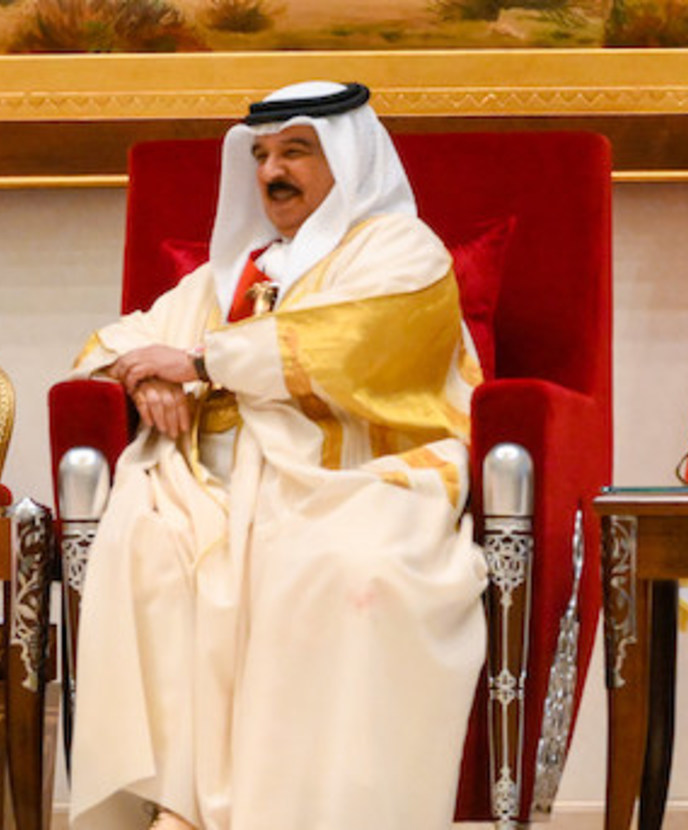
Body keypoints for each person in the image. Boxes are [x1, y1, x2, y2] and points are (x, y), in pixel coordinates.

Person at [66, 82, 488, 829]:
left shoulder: (397, 248)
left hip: (358, 474)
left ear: (349, 162)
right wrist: (142, 377)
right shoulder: (242, 272)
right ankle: (183, 809)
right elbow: (114, 340)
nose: (270, 172)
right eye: (260, 155)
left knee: (335, 568)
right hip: (215, 479)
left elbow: (345, 345)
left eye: (295, 151)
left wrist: (195, 364)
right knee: (154, 549)